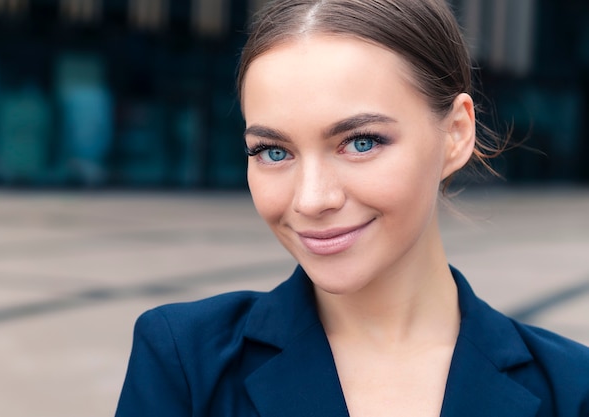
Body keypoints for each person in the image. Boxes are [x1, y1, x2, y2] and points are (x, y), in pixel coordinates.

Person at [115, 0, 589, 415]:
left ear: (456, 134)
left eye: (360, 142)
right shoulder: (186, 360)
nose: (312, 199)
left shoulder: (573, 388)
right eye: (273, 152)